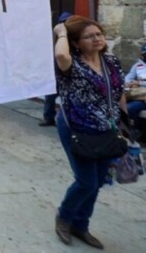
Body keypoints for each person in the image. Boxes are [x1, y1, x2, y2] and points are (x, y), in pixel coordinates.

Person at [53, 15, 128, 249]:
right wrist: (62, 32)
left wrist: (125, 123)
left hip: (107, 129)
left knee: (98, 182)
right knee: (86, 182)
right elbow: (61, 55)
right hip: (78, 129)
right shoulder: (70, 64)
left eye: (99, 34)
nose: (97, 38)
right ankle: (64, 219)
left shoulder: (111, 61)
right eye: (90, 36)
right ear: (76, 43)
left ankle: (81, 225)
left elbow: (119, 92)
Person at [40, 11, 73, 127]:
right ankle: (48, 117)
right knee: (50, 96)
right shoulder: (55, 35)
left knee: (67, 98)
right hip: (55, 71)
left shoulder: (73, 36)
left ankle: (67, 119)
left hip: (68, 72)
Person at [124, 44, 146, 127]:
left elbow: (138, 83)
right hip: (137, 94)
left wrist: (140, 83)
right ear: (142, 54)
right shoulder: (137, 66)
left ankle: (136, 130)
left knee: (129, 108)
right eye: (145, 54)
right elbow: (128, 78)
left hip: (144, 98)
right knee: (120, 105)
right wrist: (128, 83)